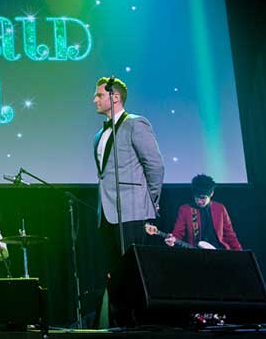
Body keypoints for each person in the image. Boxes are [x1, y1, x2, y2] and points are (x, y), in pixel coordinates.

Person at [92, 77, 164, 326]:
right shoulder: (99, 134)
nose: (94, 100)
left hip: (132, 211)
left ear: (115, 97)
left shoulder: (136, 124)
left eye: (99, 95)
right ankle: (119, 325)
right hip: (107, 212)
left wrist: (149, 202)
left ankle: (140, 326)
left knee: (135, 275)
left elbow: (155, 165)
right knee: (114, 276)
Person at [165, 174, 242, 250]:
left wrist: (240, 252)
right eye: (196, 197)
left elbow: (230, 235)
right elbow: (178, 233)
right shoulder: (185, 209)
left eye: (203, 198)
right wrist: (172, 240)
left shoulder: (220, 208)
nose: (199, 201)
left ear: (211, 194)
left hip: (220, 251)